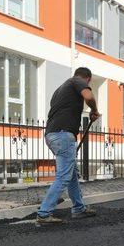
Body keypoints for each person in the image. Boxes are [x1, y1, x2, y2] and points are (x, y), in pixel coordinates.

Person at [36, 67, 100, 224]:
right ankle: (44, 213)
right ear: (88, 79)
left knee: (71, 175)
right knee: (64, 176)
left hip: (52, 135)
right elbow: (88, 96)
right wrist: (94, 109)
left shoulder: (60, 90)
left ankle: (79, 208)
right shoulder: (77, 80)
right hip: (63, 135)